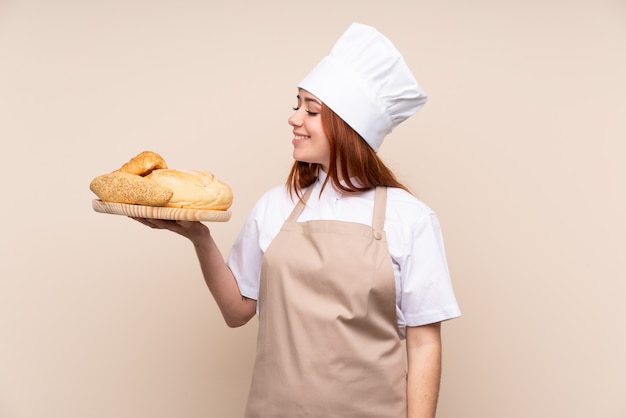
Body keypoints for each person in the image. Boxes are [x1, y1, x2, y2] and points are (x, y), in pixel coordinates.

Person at [134, 22, 460, 418]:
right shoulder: (275, 205)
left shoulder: (410, 219)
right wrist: (200, 238)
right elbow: (237, 312)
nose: (294, 118)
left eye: (311, 110)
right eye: (297, 105)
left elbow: (424, 344)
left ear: (349, 126)